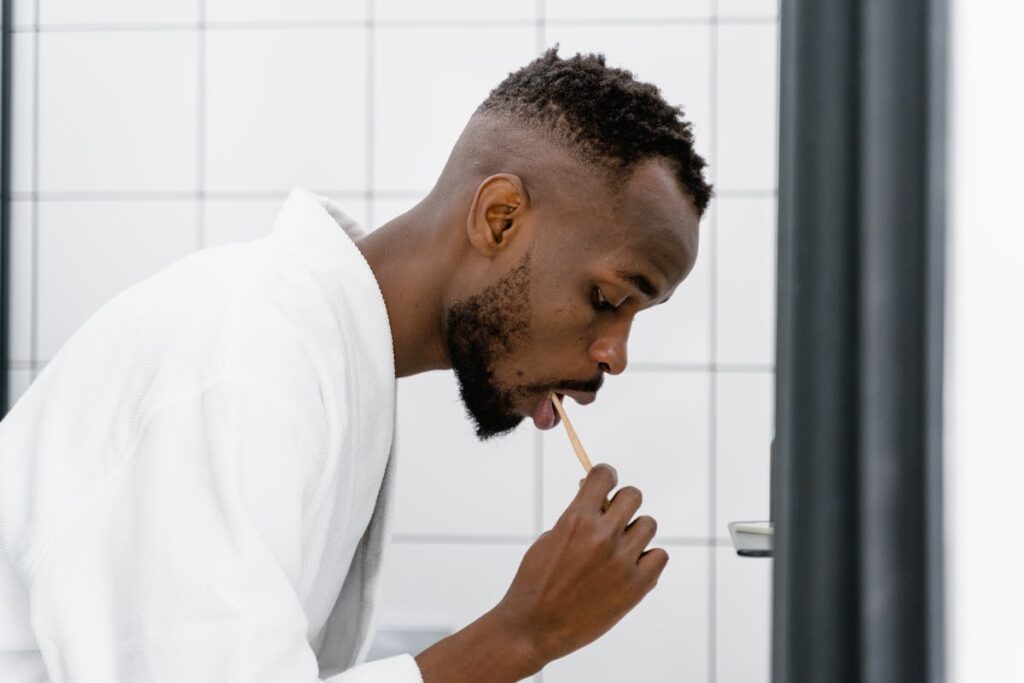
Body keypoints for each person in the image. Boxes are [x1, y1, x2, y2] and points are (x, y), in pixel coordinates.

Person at [0, 45, 711, 682]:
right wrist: (522, 633)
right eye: (608, 297)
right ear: (498, 218)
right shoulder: (244, 361)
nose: (614, 356)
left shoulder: (315, 355)